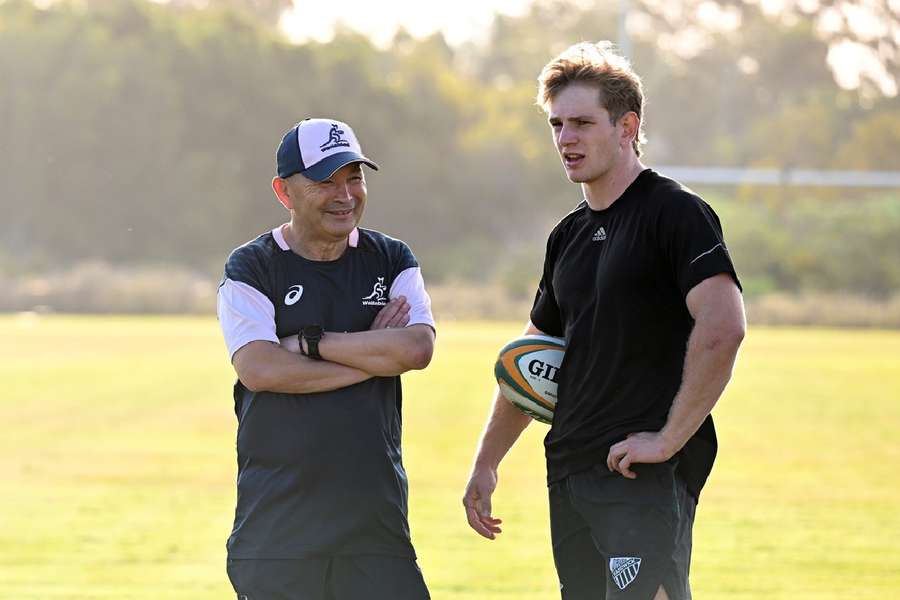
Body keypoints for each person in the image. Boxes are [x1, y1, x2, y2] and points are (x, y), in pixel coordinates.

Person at [462, 42, 746, 599]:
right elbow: (532, 356)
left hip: (638, 474)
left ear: (626, 126)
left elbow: (723, 327)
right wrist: (487, 462)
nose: (566, 138)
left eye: (583, 123)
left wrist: (666, 440)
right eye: (557, 124)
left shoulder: (674, 213)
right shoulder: (566, 235)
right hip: (570, 468)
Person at [217, 118, 435, 600]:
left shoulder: (391, 258)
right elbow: (260, 369)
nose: (345, 194)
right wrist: (374, 355)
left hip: (374, 525)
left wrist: (310, 344)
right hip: (278, 529)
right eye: (324, 181)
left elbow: (416, 349)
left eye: (354, 177)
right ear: (284, 191)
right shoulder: (251, 267)